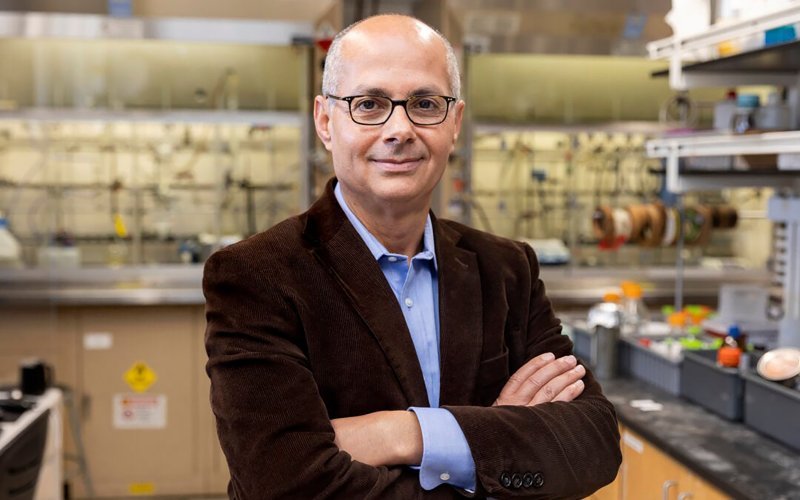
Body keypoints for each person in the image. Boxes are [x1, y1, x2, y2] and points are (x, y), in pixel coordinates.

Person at [204, 13, 621, 499]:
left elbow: (592, 443)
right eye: (369, 104)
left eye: (425, 104)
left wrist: (400, 433)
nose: (399, 128)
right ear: (325, 121)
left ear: (455, 123)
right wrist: (490, 443)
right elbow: (283, 483)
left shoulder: (507, 270)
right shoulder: (257, 275)